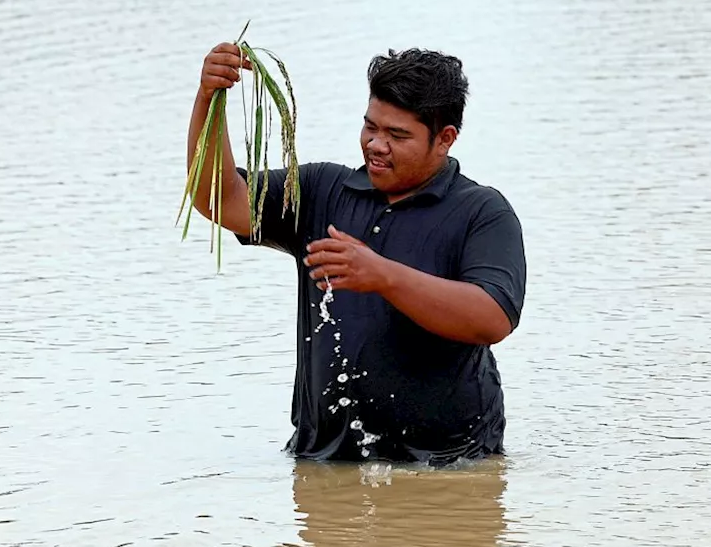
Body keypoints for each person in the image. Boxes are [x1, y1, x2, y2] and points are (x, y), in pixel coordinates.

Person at [186, 43, 527, 465]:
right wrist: (209, 99)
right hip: (324, 459)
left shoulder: (481, 212)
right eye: (371, 127)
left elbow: (493, 318)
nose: (376, 145)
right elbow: (219, 199)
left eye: (398, 136)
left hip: (449, 466)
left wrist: (384, 275)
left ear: (445, 139)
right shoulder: (321, 191)